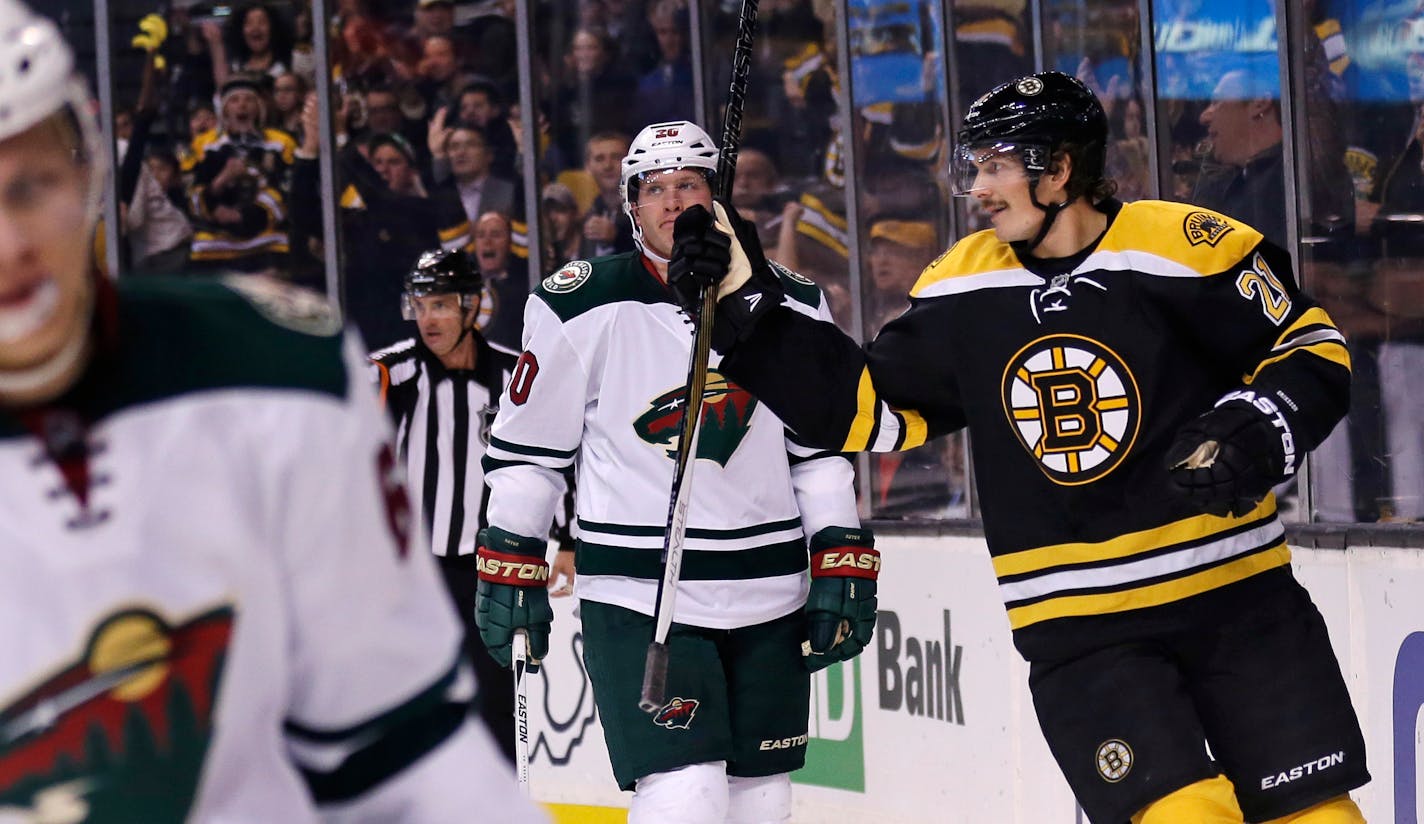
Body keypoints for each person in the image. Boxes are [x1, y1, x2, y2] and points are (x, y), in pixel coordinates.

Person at [671, 72, 1368, 824]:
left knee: (1319, 817)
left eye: (997, 166)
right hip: (1083, 627)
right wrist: (747, 306)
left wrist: (1264, 421)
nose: (980, 187)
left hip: (1240, 598)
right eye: (975, 168)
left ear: (1060, 169)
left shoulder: (1189, 248)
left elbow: (1311, 347)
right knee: (1186, 817)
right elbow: (867, 410)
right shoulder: (962, 286)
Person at [0, 1, 545, 820]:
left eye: (26, 187)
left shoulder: (276, 377)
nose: (9, 246)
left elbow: (403, 756)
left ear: (84, 177)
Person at [474, 120, 872, 824]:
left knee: (763, 799)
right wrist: (512, 555)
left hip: (770, 590)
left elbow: (818, 449)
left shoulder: (793, 302)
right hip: (639, 597)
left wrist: (840, 548)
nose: (673, 203)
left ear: (714, 197)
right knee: (685, 793)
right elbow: (533, 453)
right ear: (631, 204)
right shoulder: (578, 302)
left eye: (688, 184)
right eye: (655, 189)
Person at [370, 248, 575, 764]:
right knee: (410, 704)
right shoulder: (390, 375)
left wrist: (568, 541)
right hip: (412, 573)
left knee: (495, 706)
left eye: (440, 304)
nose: (428, 318)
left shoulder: (513, 378)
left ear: (471, 307)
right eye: (420, 304)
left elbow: (555, 458)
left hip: (494, 570)